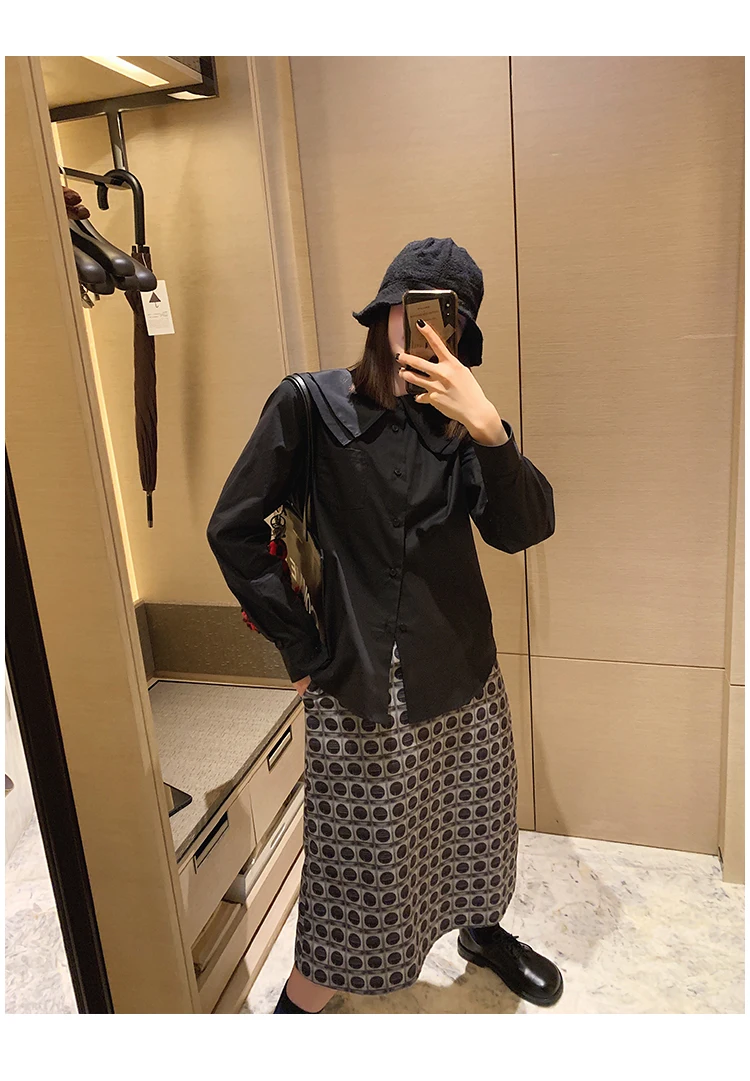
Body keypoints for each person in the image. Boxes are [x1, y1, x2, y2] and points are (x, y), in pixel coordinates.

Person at [206, 238, 561, 1014]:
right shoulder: (308, 404)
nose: (427, 330)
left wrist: (490, 429)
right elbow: (233, 528)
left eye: (446, 318)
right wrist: (301, 646)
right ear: (384, 312)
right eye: (415, 310)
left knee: (474, 824)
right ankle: (305, 996)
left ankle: (480, 932)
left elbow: (524, 528)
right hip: (362, 687)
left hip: (464, 672)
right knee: (358, 869)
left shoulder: (460, 426)